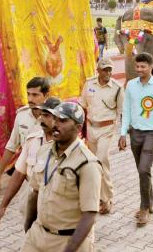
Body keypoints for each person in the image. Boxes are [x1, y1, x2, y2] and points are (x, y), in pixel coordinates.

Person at [21, 102, 101, 252]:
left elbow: (90, 215)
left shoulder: (87, 164)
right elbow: (35, 193)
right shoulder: (44, 151)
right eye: (55, 119)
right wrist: (29, 228)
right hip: (38, 235)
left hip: (68, 241)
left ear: (78, 128)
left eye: (63, 121)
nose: (56, 124)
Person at [118, 52, 153, 227]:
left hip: (152, 134)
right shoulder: (131, 86)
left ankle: (144, 209)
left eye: (143, 66)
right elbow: (126, 110)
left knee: (143, 170)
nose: (139, 69)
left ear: (151, 67)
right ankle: (150, 203)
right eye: (137, 66)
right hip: (135, 134)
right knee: (143, 172)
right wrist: (123, 133)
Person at [0, 97, 59, 229]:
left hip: (54, 198)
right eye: (42, 115)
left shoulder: (65, 145)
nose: (41, 119)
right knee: (30, 232)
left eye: (47, 116)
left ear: (58, 119)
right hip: (30, 193)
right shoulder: (32, 140)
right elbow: (19, 174)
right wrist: (2, 207)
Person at [0, 77, 49, 198]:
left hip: (49, 179)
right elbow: (11, 147)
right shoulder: (22, 116)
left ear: (46, 95)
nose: (30, 99)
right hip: (28, 178)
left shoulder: (54, 118)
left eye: (35, 95)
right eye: (28, 94)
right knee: (26, 212)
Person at [79, 57, 123, 214]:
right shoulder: (89, 84)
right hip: (91, 129)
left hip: (107, 129)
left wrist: (122, 135)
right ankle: (96, 196)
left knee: (102, 160)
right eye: (105, 69)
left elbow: (121, 112)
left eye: (110, 69)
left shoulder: (117, 88)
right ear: (98, 70)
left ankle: (107, 198)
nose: (108, 72)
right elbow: (82, 105)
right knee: (92, 163)